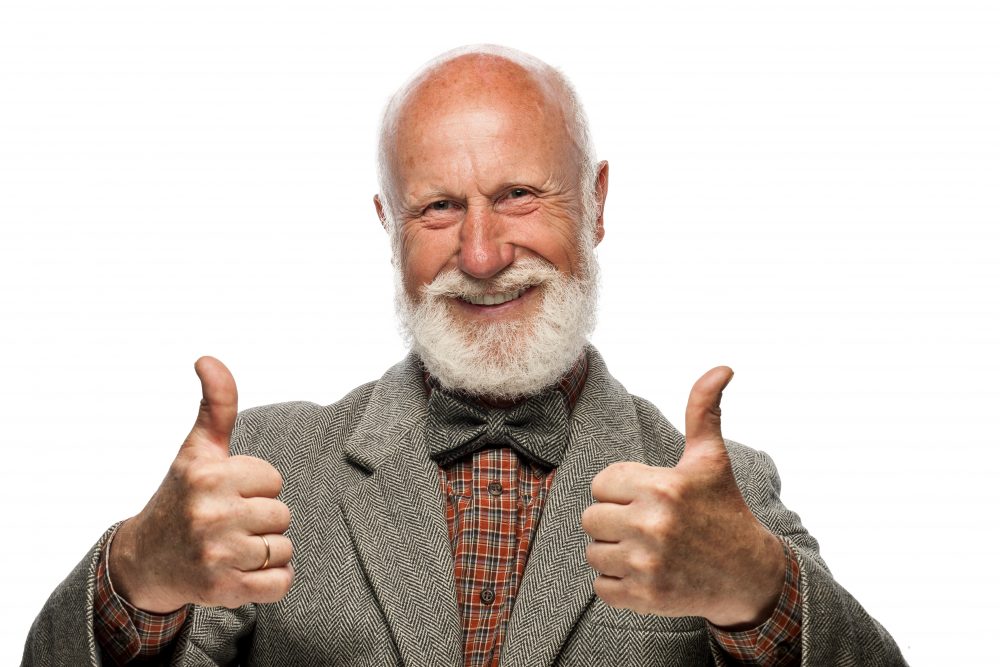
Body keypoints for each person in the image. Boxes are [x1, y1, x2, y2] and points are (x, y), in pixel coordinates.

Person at [22, 45, 905, 666]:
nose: (480, 255)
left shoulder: (715, 491)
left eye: (519, 195)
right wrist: (137, 572)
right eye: (439, 208)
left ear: (596, 205)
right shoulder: (265, 468)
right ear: (388, 226)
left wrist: (758, 588)